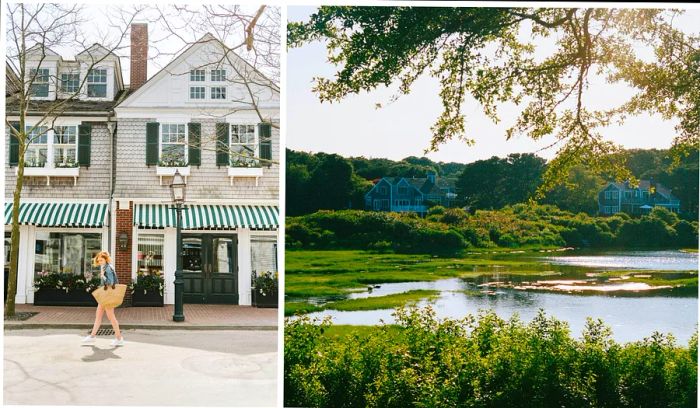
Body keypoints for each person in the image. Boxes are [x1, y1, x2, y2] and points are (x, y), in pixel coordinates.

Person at [81, 251, 125, 346]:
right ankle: (92, 336)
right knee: (99, 315)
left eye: (101, 260)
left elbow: (111, 282)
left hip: (107, 296)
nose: (100, 262)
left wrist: (103, 277)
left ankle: (119, 338)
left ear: (106, 259)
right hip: (105, 296)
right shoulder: (106, 266)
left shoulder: (108, 268)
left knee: (111, 317)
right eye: (98, 260)